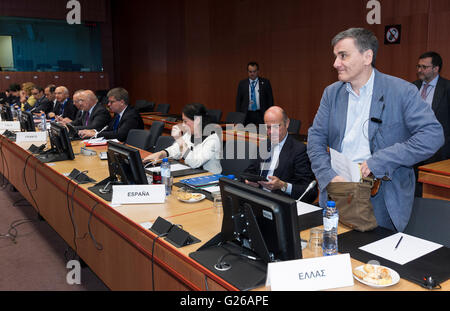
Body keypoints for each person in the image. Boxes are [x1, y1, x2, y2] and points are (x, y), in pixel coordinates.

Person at [307, 28, 444, 232]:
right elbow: (315, 139)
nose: (336, 63)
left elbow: (433, 136)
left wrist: (381, 160)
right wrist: (328, 175)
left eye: (343, 55)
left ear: (367, 56)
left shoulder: (402, 91)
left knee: (374, 262)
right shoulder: (331, 93)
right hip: (337, 190)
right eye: (335, 56)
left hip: (382, 197)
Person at [243, 106, 317, 202]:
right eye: (268, 127)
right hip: (258, 198)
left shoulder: (299, 150)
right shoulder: (264, 145)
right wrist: (248, 181)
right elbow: (249, 172)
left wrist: (283, 186)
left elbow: (310, 192)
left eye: (276, 126)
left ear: (287, 123)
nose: (270, 132)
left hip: (280, 202)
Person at [143, 103, 222, 174]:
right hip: (193, 175)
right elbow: (176, 149)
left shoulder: (212, 139)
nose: (183, 125)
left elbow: (195, 162)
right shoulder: (189, 134)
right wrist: (162, 153)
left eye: (185, 121)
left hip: (210, 180)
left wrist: (180, 140)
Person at [412, 51, 450, 163]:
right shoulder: (412, 87)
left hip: (439, 150)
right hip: (414, 146)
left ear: (436, 69)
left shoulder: (447, 88)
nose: (419, 70)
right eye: (418, 66)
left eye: (424, 67)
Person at [78, 87, 143, 142]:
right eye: (109, 102)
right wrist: (93, 131)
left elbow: (120, 135)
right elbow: (108, 129)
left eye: (112, 102)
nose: (108, 104)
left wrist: (96, 134)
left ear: (122, 102)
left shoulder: (131, 115)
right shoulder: (117, 114)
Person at [236, 62, 274, 126]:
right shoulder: (242, 83)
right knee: (247, 134)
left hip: (261, 114)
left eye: (254, 71)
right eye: (250, 72)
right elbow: (238, 101)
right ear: (247, 72)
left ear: (258, 71)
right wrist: (239, 116)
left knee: (262, 133)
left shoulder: (265, 82)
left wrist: (269, 113)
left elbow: (270, 100)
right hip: (246, 114)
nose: (252, 74)